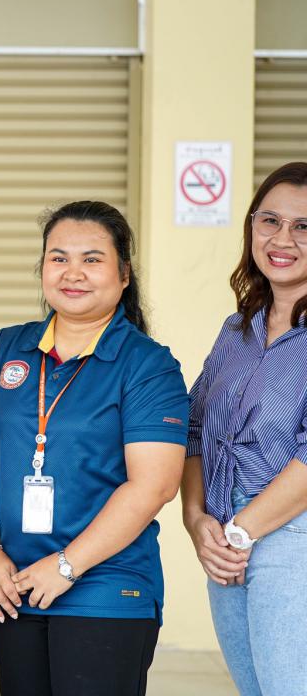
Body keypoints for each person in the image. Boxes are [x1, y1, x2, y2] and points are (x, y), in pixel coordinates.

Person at [0, 200, 188, 696]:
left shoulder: (148, 365)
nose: (72, 273)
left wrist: (67, 565)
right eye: (58, 258)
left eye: (92, 259)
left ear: (124, 275)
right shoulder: (8, 349)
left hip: (107, 588)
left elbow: (155, 485)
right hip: (15, 586)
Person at [182, 162, 307, 696]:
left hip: (290, 536)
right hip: (225, 538)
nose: (283, 239)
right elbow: (193, 429)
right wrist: (197, 521)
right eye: (270, 220)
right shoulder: (236, 331)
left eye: (304, 226)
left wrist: (240, 532)